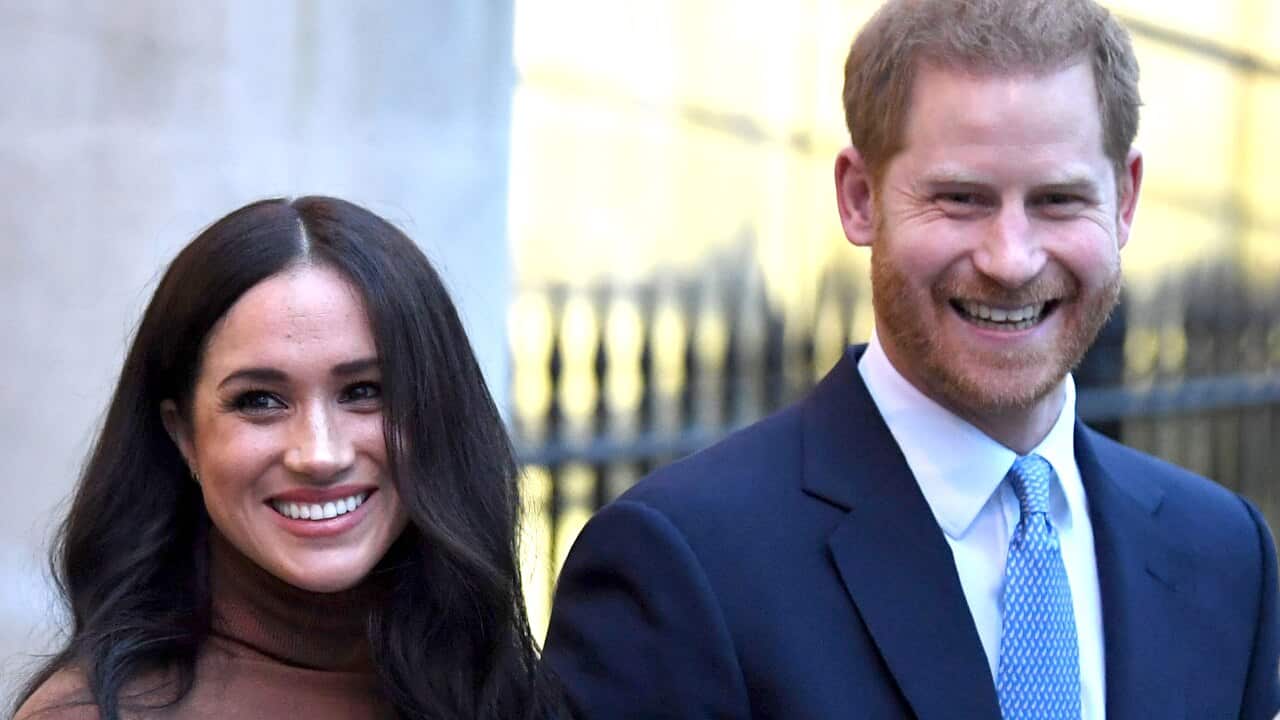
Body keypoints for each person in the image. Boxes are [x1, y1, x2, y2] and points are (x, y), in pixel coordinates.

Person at [541, 0, 1280, 718]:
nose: (1011, 260)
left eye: (1058, 200)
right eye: (961, 198)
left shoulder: (1225, 554)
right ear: (860, 198)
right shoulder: (684, 566)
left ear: (1125, 200)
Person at [15, 197, 562, 719]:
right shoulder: (90, 714)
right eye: (259, 401)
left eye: (365, 391)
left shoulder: (503, 689)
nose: (320, 455)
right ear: (182, 435)